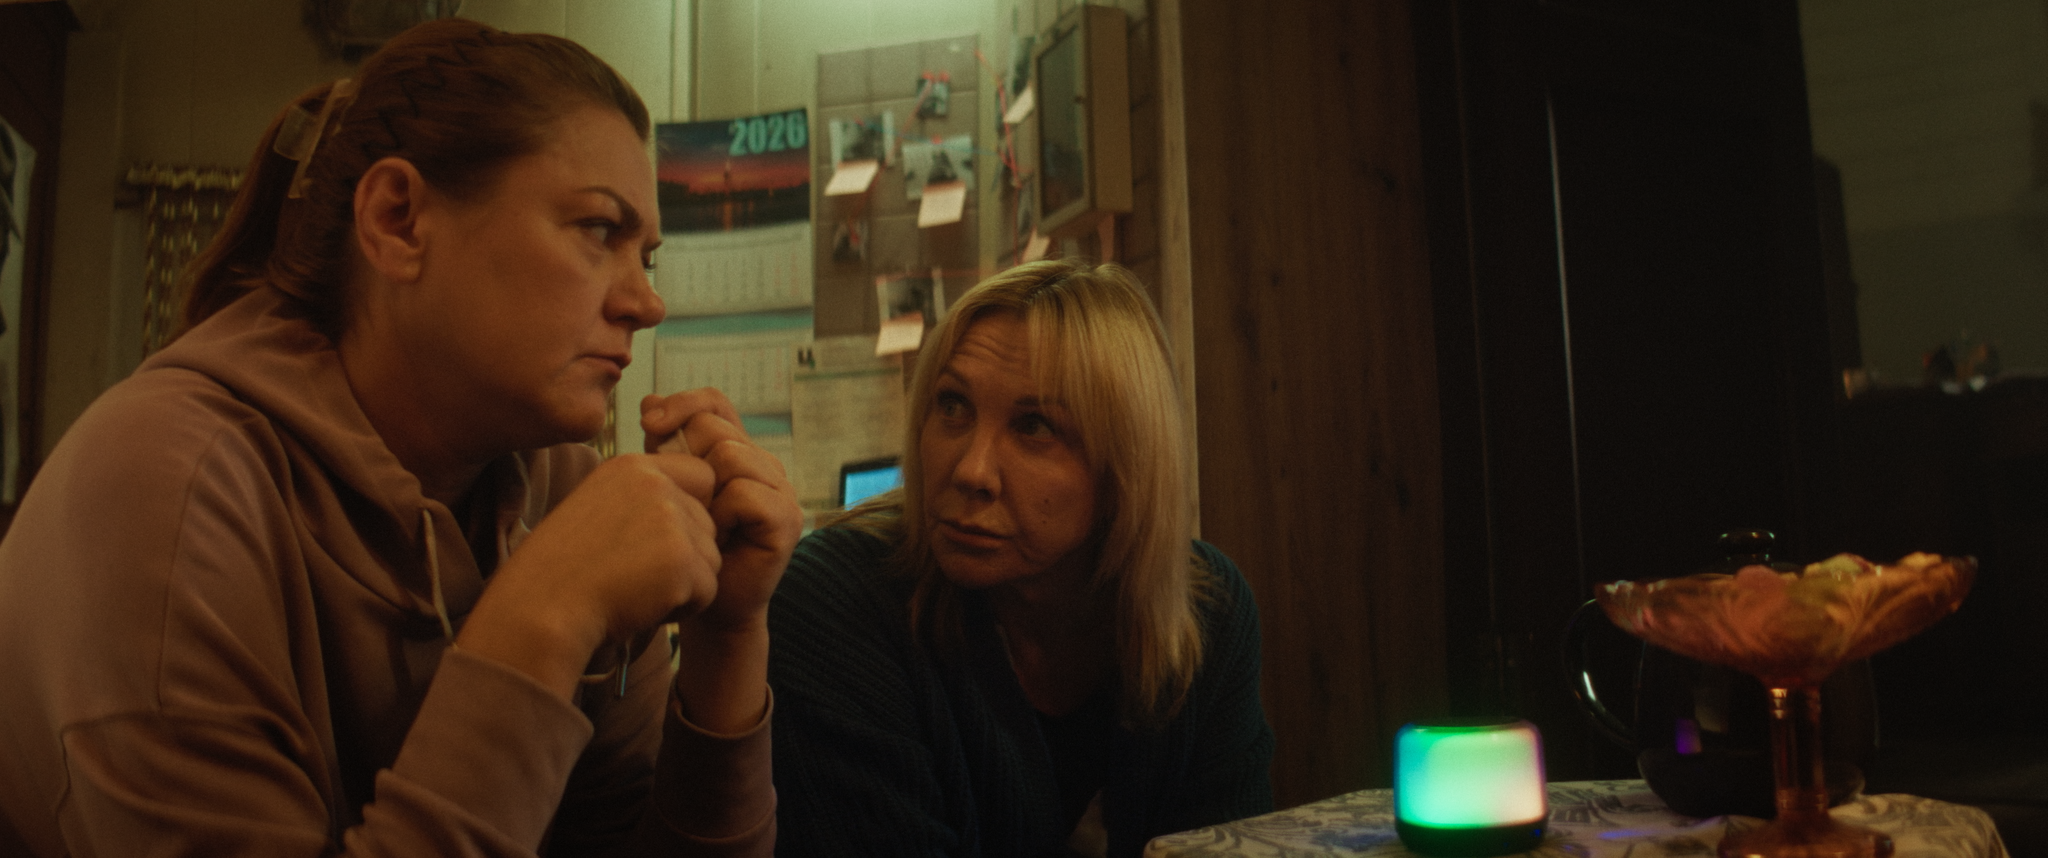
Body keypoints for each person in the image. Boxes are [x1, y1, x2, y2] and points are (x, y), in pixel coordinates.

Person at [0, 18, 799, 857]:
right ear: (399, 220)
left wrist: (728, 639)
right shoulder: (168, 491)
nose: (647, 303)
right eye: (600, 230)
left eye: (649, 257)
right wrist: (546, 613)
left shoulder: (557, 486)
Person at [768, 260, 1275, 857]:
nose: (971, 470)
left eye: (1034, 426)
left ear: (1125, 468)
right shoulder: (835, 601)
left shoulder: (1206, 612)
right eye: (952, 405)